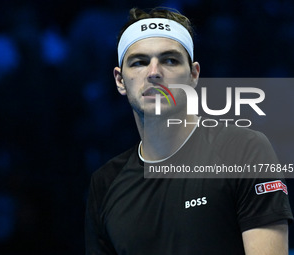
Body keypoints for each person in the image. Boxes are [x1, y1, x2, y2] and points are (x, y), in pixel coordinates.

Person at [85, 7, 293, 255]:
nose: (154, 73)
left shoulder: (243, 150)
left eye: (169, 60)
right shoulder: (105, 183)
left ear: (194, 75)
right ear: (120, 80)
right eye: (139, 62)